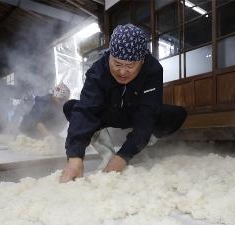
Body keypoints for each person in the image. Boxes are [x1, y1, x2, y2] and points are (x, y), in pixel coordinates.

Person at [60, 24, 186, 183]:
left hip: (134, 114)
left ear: (142, 60)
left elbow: (147, 114)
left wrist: (124, 155)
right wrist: (75, 156)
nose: (122, 72)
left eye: (130, 66)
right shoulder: (98, 70)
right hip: (107, 114)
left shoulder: (152, 70)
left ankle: (139, 147)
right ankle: (106, 152)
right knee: (72, 108)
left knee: (177, 114)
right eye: (117, 64)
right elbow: (87, 110)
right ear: (109, 56)